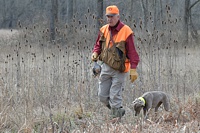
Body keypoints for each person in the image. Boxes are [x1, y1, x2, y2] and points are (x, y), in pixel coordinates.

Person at [91, 5, 140, 120]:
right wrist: (95, 53)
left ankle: (116, 122)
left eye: (112, 16)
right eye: (108, 16)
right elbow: (98, 45)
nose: (109, 19)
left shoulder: (126, 31)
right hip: (106, 67)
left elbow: (133, 53)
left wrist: (133, 69)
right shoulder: (103, 29)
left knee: (114, 96)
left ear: (118, 16)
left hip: (120, 69)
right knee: (102, 96)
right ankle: (118, 111)